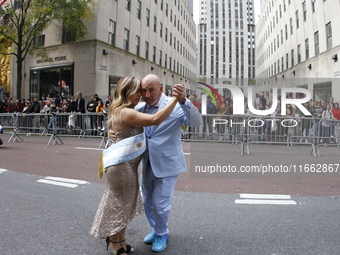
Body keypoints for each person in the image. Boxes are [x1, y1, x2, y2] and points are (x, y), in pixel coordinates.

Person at [109, 74, 202, 252]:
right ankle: (155, 228)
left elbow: (196, 122)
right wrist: (110, 133)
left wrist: (183, 100)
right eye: (143, 90)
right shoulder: (140, 107)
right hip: (146, 162)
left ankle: (162, 233)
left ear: (160, 89)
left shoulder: (175, 106)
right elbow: (119, 122)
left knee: (160, 202)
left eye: (151, 89)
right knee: (148, 202)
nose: (147, 94)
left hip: (168, 163)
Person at [90, 76, 181, 255]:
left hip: (128, 166)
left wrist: (112, 131)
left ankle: (121, 241)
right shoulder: (126, 112)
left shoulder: (127, 109)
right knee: (119, 206)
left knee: (124, 206)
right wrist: (175, 99)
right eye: (137, 91)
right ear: (127, 92)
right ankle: (115, 244)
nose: (141, 94)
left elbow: (119, 128)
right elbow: (155, 119)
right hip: (122, 168)